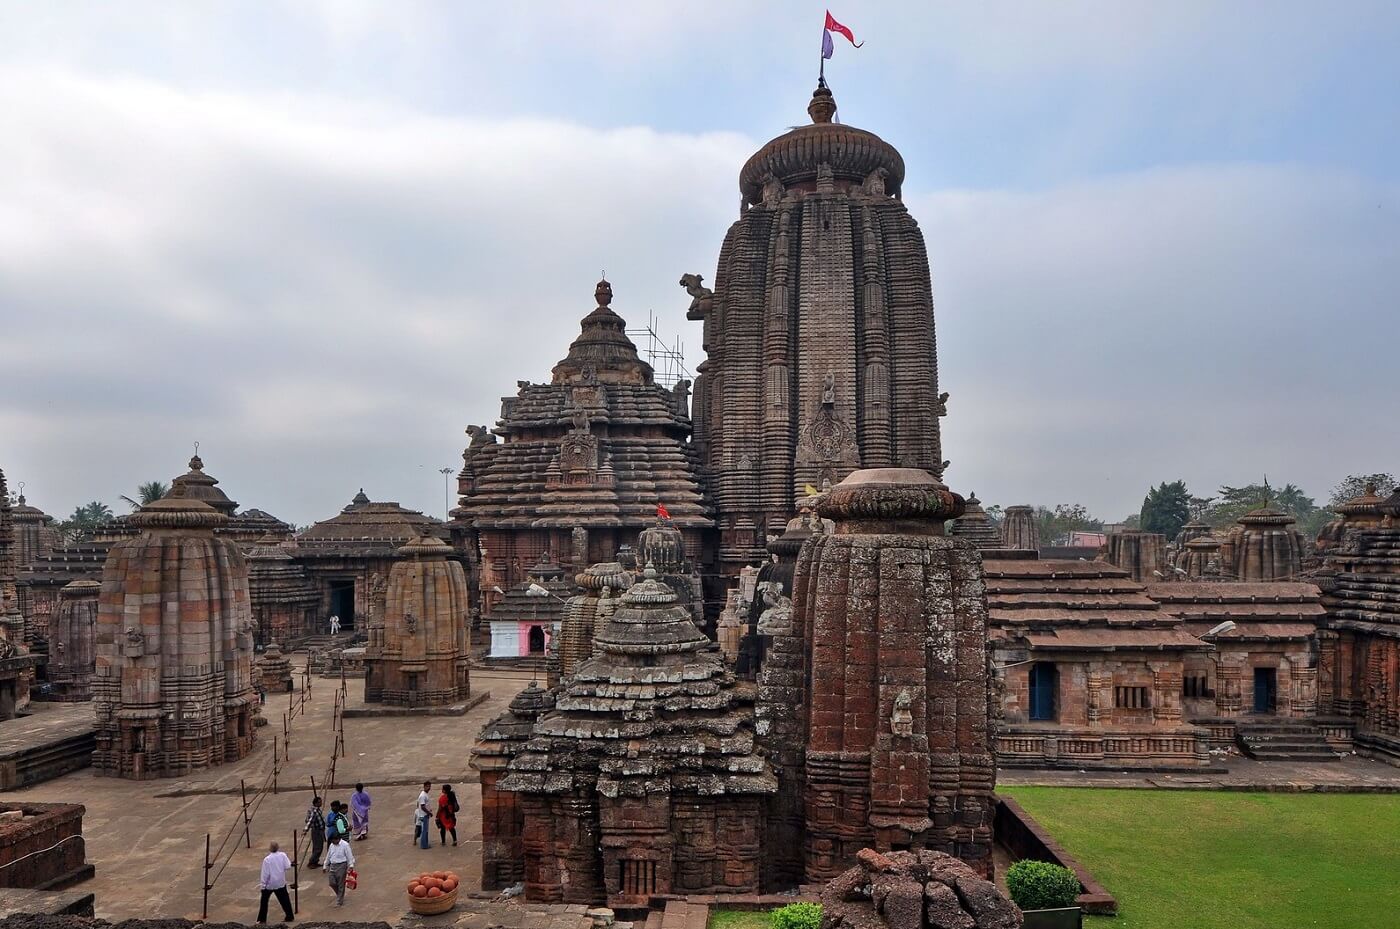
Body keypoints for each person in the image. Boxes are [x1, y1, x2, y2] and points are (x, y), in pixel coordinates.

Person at [256, 841, 295, 923]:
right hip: (280, 882)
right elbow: (288, 866)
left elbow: (265, 874)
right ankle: (289, 916)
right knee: (285, 900)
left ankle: (262, 919)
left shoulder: (267, 859)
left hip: (270, 884)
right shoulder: (282, 855)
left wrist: (263, 885)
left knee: (264, 902)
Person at [324, 833, 355, 907]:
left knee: (341, 883)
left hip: (342, 865)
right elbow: (328, 855)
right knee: (332, 883)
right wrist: (325, 865)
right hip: (333, 865)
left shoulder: (345, 845)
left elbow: (349, 855)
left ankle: (339, 901)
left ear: (338, 839)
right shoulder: (332, 845)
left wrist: (351, 865)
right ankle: (340, 894)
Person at [302, 796, 325, 869]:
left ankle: (315, 861)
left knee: (316, 847)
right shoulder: (314, 811)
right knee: (318, 848)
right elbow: (309, 821)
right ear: (316, 803)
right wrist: (305, 830)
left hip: (319, 830)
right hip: (317, 831)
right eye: (319, 802)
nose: (321, 803)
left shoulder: (315, 810)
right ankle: (311, 862)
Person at [414, 781, 431, 850]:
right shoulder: (423, 795)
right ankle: (424, 845)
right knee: (424, 831)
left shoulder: (425, 794)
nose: (429, 788)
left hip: (424, 814)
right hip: (424, 815)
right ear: (424, 786)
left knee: (425, 830)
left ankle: (425, 843)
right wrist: (428, 813)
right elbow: (422, 806)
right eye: (427, 786)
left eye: (429, 786)